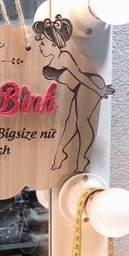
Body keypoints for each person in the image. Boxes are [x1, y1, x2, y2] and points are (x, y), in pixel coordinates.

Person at [33, 14, 115, 173]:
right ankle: (60, 155)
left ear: (53, 43)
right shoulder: (50, 60)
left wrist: (98, 90)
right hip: (77, 88)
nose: (40, 45)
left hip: (90, 84)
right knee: (69, 123)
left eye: (43, 42)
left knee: (81, 122)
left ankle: (82, 160)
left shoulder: (64, 56)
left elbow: (80, 76)